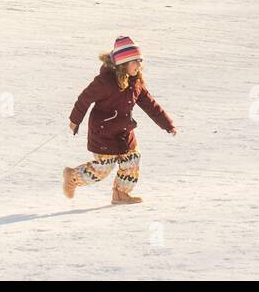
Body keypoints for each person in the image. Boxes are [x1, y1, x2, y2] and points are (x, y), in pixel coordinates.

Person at [63, 37, 176, 206]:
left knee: (132, 160)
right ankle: (73, 177)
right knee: (103, 168)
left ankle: (120, 194)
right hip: (103, 132)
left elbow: (150, 105)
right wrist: (75, 120)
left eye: (140, 61)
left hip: (124, 131)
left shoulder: (135, 83)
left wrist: (167, 124)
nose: (138, 66)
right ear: (123, 64)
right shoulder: (105, 82)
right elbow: (84, 99)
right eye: (134, 62)